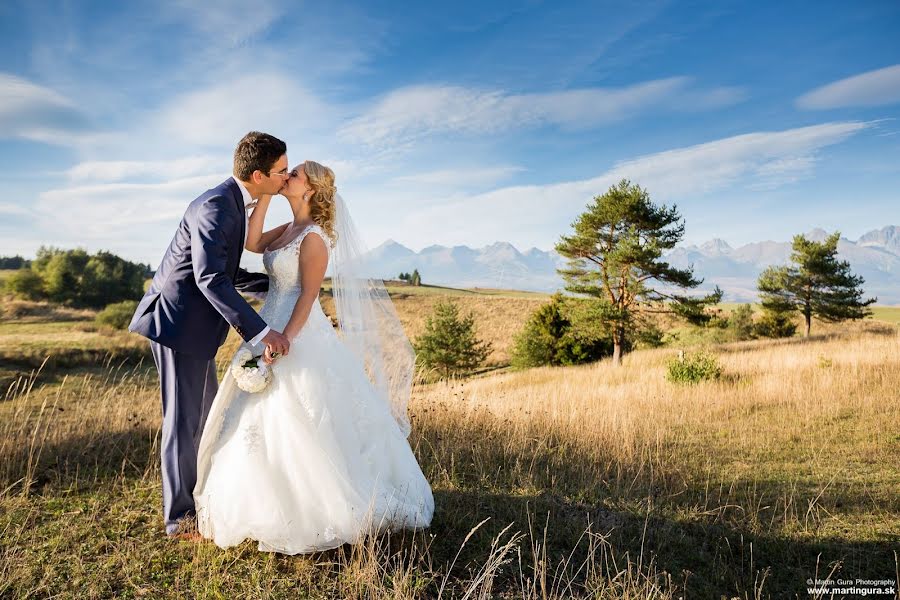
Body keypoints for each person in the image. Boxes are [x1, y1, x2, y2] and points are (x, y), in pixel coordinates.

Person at [193, 160, 434, 554]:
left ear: (310, 190)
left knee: (305, 416)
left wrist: (285, 339)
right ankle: (262, 500)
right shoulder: (288, 230)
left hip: (296, 331)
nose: (288, 176)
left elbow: (308, 296)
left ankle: (322, 506)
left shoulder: (315, 238)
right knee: (257, 420)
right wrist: (267, 199)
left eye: (296, 174)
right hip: (268, 323)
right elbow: (253, 244)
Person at [129, 131, 292, 538]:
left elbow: (229, 272)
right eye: (281, 171)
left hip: (196, 328)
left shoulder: (234, 201)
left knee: (204, 416)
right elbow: (210, 278)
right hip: (177, 325)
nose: (285, 177)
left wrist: (279, 288)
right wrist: (261, 332)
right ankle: (178, 518)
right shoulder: (218, 206)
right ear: (258, 175)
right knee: (183, 421)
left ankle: (198, 499)